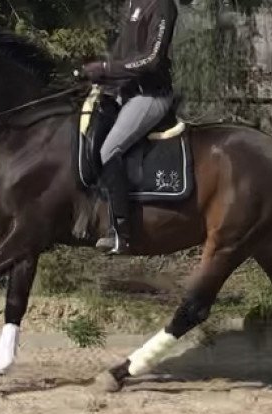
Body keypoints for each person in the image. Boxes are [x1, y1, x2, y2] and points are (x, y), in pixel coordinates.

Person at [82, 0, 179, 255]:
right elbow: (122, 53)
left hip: (150, 96)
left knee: (109, 149)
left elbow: (151, 59)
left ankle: (121, 232)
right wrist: (101, 78)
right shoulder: (134, 2)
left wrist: (106, 69)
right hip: (124, 93)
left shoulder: (162, 6)